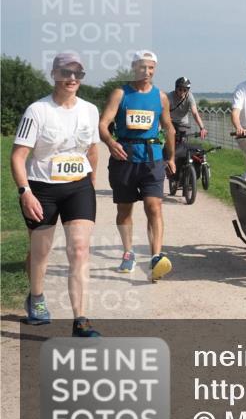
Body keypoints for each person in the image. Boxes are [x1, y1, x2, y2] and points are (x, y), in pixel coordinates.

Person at [10, 52, 102, 337]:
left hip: (78, 186)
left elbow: (93, 150)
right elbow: (17, 156)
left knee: (79, 250)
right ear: (54, 74)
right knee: (41, 251)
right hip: (42, 189)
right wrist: (26, 193)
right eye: (66, 72)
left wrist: (90, 183)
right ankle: (36, 298)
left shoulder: (89, 109)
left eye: (78, 73)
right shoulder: (38, 110)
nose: (72, 78)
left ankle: (81, 320)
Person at [99, 50, 176, 281]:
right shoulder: (121, 93)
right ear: (134, 68)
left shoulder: (161, 97)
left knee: (154, 207)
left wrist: (170, 157)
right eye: (142, 67)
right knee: (124, 210)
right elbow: (103, 124)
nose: (147, 71)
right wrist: (110, 142)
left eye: (151, 67)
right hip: (124, 159)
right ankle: (128, 252)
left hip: (152, 159)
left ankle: (156, 257)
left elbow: (169, 127)